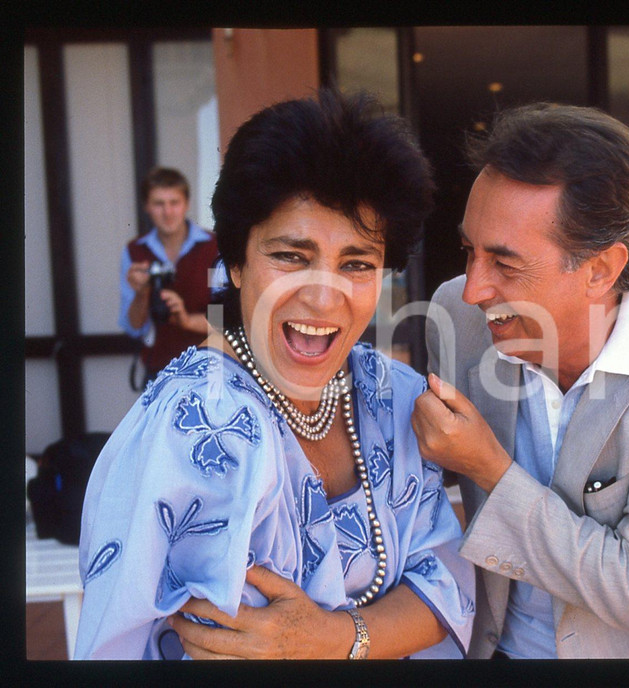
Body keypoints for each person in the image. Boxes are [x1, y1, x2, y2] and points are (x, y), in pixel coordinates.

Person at [75, 89, 474, 660]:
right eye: (291, 256)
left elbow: (445, 583)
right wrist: (379, 630)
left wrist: (336, 638)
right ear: (236, 263)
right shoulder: (200, 424)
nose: (323, 296)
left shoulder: (392, 397)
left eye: (356, 263)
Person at [411, 103, 629, 658]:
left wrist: (488, 468)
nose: (474, 288)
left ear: (600, 270)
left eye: (505, 264)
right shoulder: (456, 314)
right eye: (468, 252)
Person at [121, 167, 219, 386]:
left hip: (207, 369)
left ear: (186, 204)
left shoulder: (214, 248)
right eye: (159, 204)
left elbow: (224, 320)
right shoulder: (135, 252)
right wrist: (142, 293)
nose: (168, 212)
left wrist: (186, 320)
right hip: (158, 370)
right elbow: (134, 327)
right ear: (147, 206)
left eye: (174, 202)